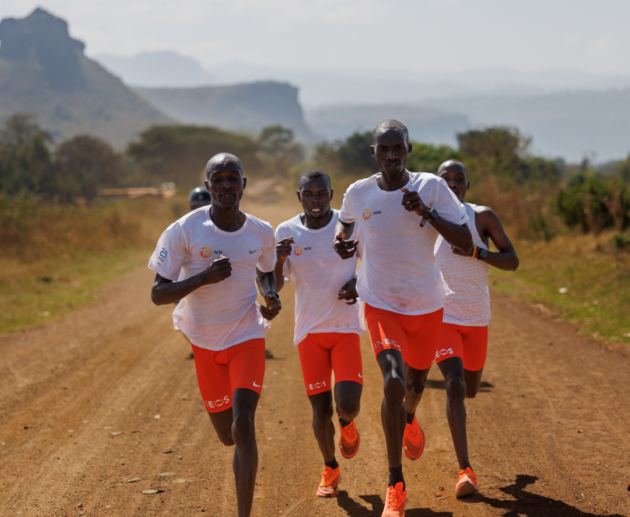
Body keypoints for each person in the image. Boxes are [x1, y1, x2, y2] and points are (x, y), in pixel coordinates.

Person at [333, 120, 472, 516]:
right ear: (373, 153)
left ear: (408, 150)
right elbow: (345, 226)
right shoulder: (358, 192)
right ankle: (396, 483)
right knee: (393, 382)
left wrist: (426, 212)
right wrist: (342, 243)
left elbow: (465, 241)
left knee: (414, 384)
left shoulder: (432, 187)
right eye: (385, 149)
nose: (392, 155)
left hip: (427, 305)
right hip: (380, 303)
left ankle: (410, 418)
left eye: (398, 148)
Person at [149, 153, 281, 517]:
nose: (226, 185)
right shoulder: (185, 230)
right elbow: (158, 293)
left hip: (246, 335)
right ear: (208, 186)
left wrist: (270, 294)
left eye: (232, 178)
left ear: (243, 184)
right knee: (227, 435)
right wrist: (203, 278)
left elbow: (266, 271)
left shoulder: (260, 230)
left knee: (244, 425)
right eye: (218, 180)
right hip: (204, 342)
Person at [274, 168, 364, 498]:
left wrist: (358, 282)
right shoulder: (286, 231)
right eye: (309, 194)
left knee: (348, 404)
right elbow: (275, 283)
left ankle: (347, 422)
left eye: (321, 193)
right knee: (320, 411)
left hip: (344, 326)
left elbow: (374, 263)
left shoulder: (348, 224)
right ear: (299, 197)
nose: (316, 200)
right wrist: (278, 259)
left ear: (331, 194)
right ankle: (330, 467)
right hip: (309, 331)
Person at [434, 160, 519, 498]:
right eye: (446, 179)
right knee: (454, 386)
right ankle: (465, 471)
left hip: (476, 319)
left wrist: (476, 252)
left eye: (459, 178)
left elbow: (512, 260)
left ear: (467, 184)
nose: (453, 183)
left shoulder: (482, 217)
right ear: (437, 185)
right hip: (442, 317)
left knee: (469, 389)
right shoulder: (426, 220)